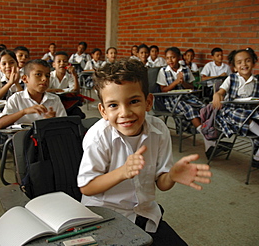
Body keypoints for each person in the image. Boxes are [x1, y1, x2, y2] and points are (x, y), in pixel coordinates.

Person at [77, 59, 212, 245]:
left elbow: (162, 183)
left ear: (148, 102)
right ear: (103, 111)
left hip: (145, 213)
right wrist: (122, 172)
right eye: (113, 105)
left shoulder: (158, 130)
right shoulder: (98, 137)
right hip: (104, 217)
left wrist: (172, 175)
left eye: (133, 101)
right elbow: (87, 187)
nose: (125, 112)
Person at [212, 48, 259, 173]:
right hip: (231, 114)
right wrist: (217, 95)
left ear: (254, 63)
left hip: (252, 113)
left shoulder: (258, 82)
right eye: (239, 62)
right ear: (234, 67)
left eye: (247, 61)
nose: (244, 64)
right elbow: (221, 92)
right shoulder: (232, 78)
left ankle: (258, 158)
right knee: (243, 114)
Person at [156, 47, 219, 158]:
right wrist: (176, 82)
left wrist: (183, 82)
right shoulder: (163, 71)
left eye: (173, 57)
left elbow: (191, 86)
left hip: (187, 96)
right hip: (172, 99)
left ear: (179, 58)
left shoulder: (185, 69)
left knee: (204, 107)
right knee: (189, 109)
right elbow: (163, 90)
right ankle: (207, 138)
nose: (170, 60)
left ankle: (210, 132)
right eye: (167, 58)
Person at [0, 59, 66, 129]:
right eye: (38, 74)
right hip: (23, 138)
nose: (44, 79)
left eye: (47, 76)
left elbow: (65, 126)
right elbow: (0, 124)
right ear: (25, 79)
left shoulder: (54, 99)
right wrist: (24, 112)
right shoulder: (16, 98)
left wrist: (52, 121)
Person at [47, 51, 85, 119]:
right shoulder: (50, 76)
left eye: (65, 61)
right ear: (54, 64)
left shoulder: (70, 76)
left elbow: (76, 91)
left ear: (68, 64)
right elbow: (44, 90)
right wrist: (56, 90)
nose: (62, 64)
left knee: (78, 114)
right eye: (59, 61)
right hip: (51, 103)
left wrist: (74, 75)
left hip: (66, 102)